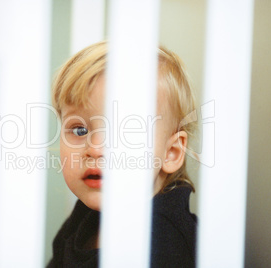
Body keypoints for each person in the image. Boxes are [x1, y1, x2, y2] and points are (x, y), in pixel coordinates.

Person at [47, 41, 197, 268]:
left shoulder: (166, 241)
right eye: (80, 130)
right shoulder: (83, 220)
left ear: (171, 153)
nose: (95, 149)